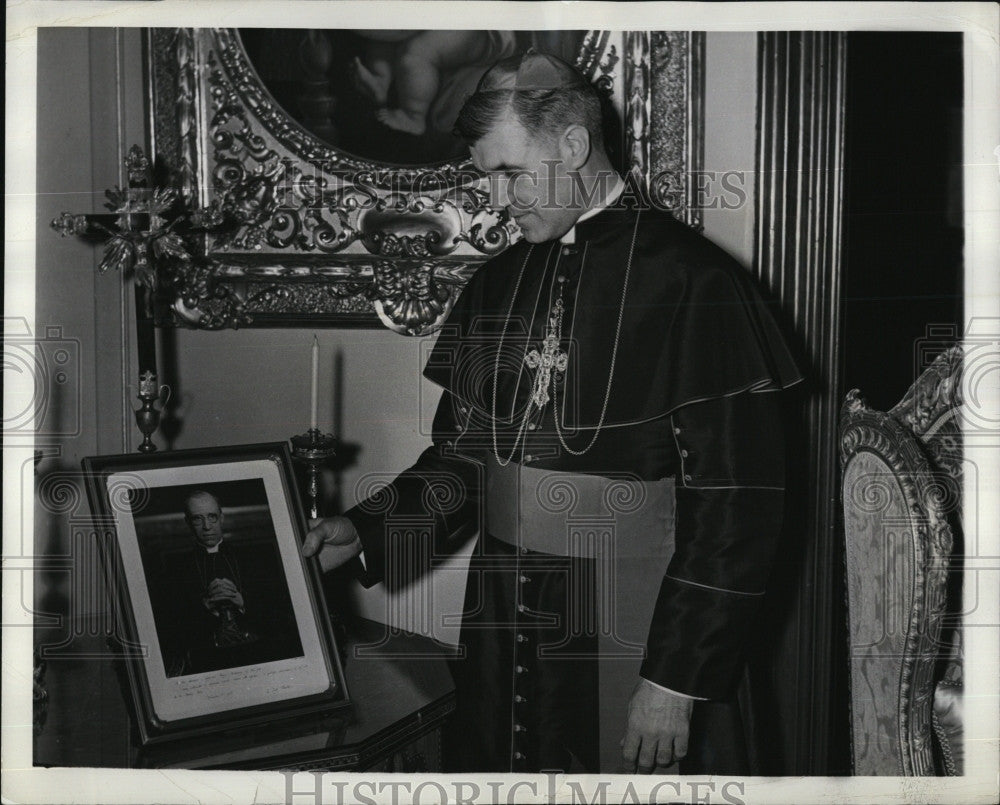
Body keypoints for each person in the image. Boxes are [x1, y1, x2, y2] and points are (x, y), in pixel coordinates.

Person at [303, 50, 802, 774]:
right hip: (505, 624)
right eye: (489, 177)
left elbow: (738, 509)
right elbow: (464, 460)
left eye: (510, 172)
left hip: (640, 630)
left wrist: (674, 678)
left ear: (573, 145)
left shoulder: (697, 283)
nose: (499, 198)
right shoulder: (497, 283)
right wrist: (370, 528)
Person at [153, 490, 303, 677]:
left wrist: (242, 601)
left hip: (259, 655)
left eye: (212, 517)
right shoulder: (175, 568)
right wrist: (206, 606)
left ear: (221, 518)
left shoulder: (255, 557)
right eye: (197, 519)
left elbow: (283, 614)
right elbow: (170, 629)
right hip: (208, 661)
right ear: (188, 523)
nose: (207, 526)